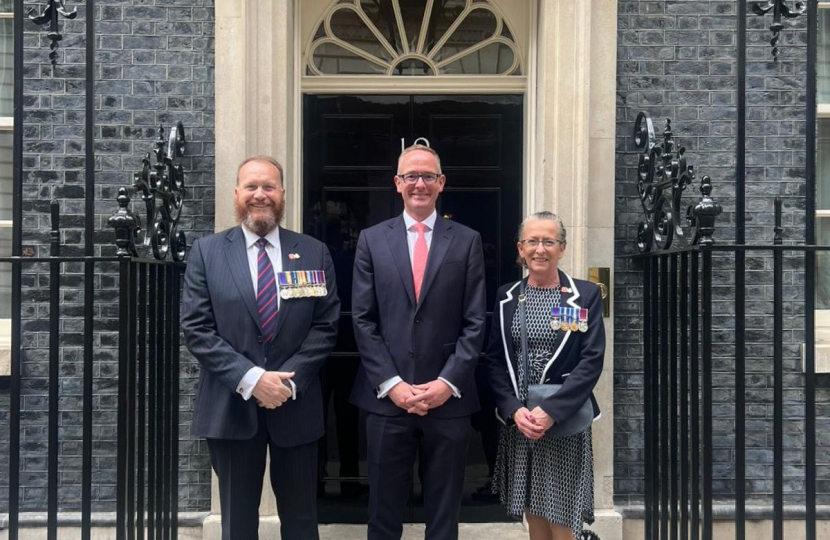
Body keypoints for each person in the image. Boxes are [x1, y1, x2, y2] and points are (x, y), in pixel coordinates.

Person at [182, 155, 340, 540]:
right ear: (237, 194)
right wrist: (253, 380)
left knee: (302, 520)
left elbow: (325, 325)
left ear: (282, 194)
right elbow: (197, 328)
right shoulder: (207, 252)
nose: (260, 195)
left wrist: (287, 383)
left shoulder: (314, 251)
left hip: (296, 406)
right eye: (251, 186)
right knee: (237, 522)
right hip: (230, 407)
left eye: (269, 187)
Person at [350, 144, 486, 540]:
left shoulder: (467, 240)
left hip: (449, 400)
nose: (420, 184)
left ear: (442, 183)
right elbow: (362, 318)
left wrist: (447, 383)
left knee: (444, 517)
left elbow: (475, 320)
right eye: (411, 176)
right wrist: (392, 384)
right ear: (398, 183)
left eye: (428, 176)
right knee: (383, 514)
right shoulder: (372, 240)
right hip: (387, 399)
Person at [483, 211, 605, 540]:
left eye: (548, 241)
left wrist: (550, 411)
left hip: (562, 420)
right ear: (520, 248)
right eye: (532, 241)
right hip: (522, 421)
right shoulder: (507, 296)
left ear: (561, 248)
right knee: (534, 511)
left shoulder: (585, 295)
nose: (540, 249)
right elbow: (494, 359)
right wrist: (513, 410)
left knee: (561, 514)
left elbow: (591, 360)